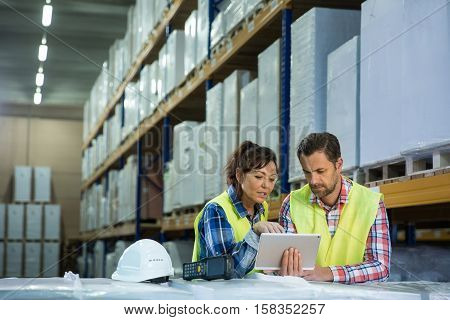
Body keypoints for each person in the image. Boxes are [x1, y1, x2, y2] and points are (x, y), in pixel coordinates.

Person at [278, 132, 391, 284]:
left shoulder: (372, 203)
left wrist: (328, 273)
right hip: (309, 301)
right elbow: (285, 265)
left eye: (320, 171)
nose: (313, 181)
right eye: (307, 172)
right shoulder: (291, 203)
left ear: (338, 165)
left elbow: (381, 268)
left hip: (355, 300)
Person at [192, 141, 284, 278]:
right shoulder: (216, 210)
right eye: (259, 177)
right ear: (239, 175)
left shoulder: (261, 207)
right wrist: (255, 232)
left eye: (272, 179)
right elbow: (226, 271)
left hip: (249, 292)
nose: (266, 185)